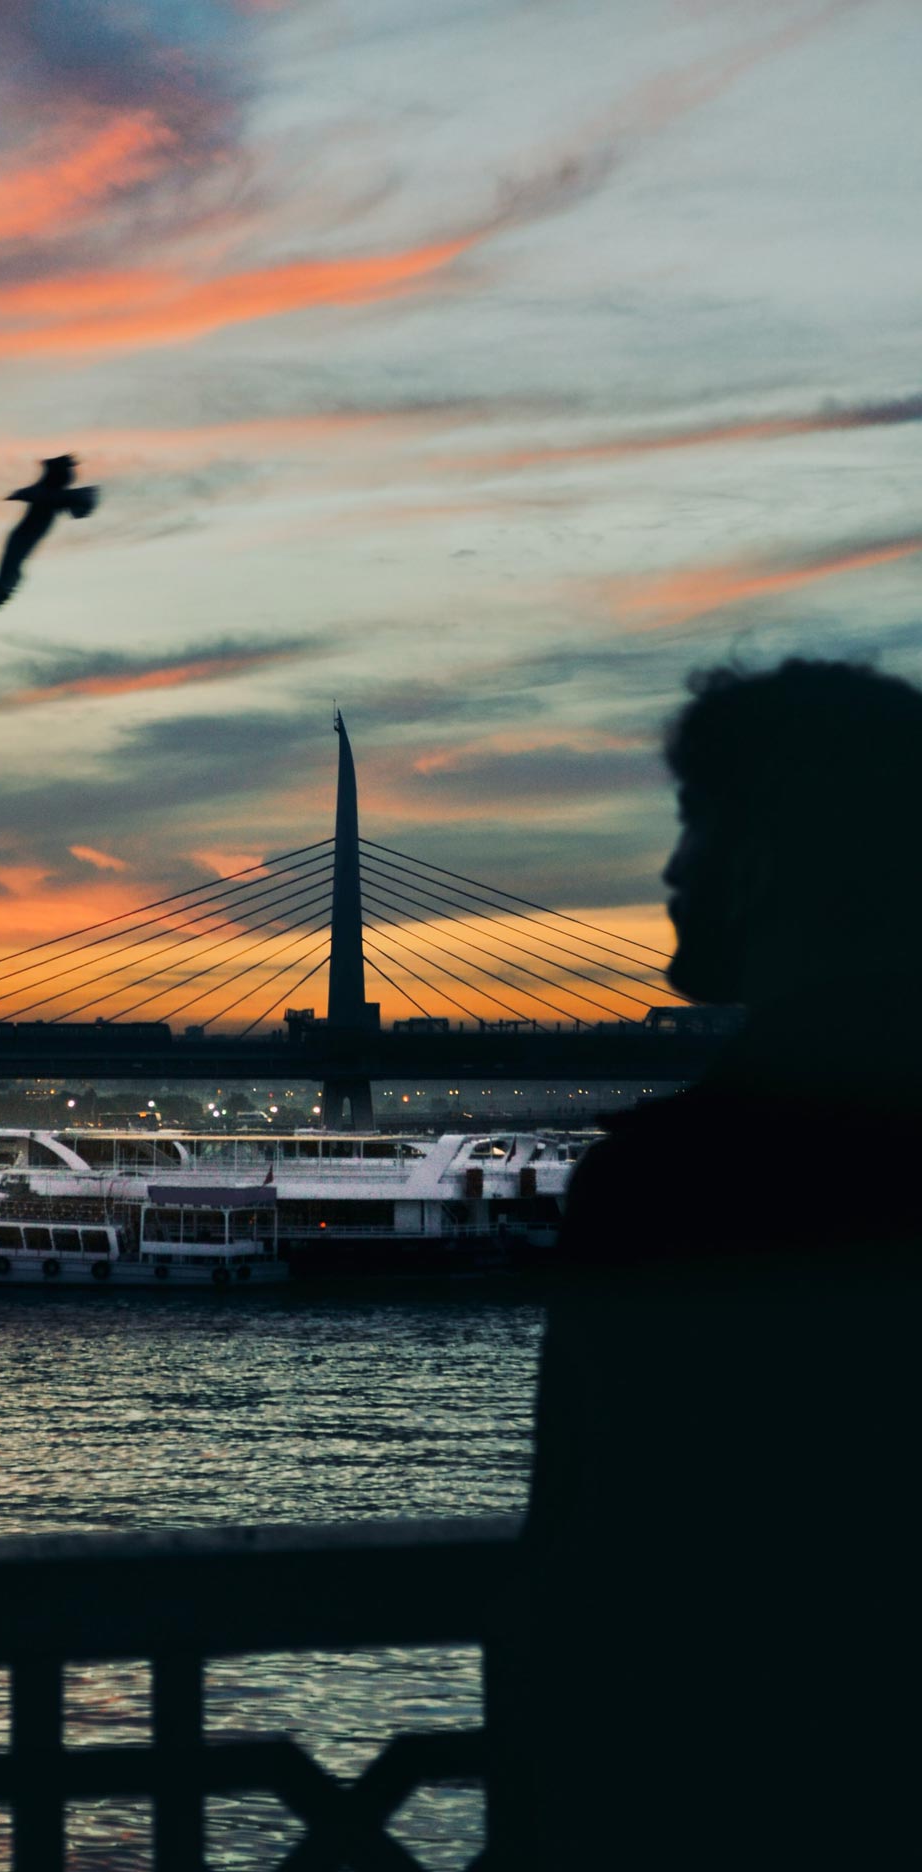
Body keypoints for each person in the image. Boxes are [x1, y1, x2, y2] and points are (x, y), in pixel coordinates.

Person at [523, 659, 922, 1870]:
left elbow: (596, 1583)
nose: (667, 871)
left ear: (756, 868)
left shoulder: (669, 1190)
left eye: (690, 824)